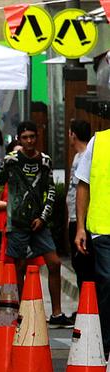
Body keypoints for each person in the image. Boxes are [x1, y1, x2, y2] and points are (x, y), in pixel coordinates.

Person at [0, 121, 72, 327]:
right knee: (18, 266)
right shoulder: (11, 160)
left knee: (55, 263)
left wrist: (43, 218)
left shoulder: (45, 161)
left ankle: (56, 312)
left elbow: (51, 192)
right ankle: (19, 311)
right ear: (19, 139)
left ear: (37, 137)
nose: (29, 141)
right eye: (25, 137)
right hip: (17, 222)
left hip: (39, 223)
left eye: (32, 136)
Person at [75, 126, 110, 358]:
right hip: (103, 229)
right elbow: (83, 185)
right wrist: (80, 227)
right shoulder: (99, 142)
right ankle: (107, 344)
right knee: (108, 283)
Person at [66, 120, 94, 290]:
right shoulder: (77, 157)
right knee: (78, 265)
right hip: (73, 218)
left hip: (81, 221)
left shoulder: (85, 157)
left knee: (84, 266)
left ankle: (88, 307)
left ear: (73, 134)